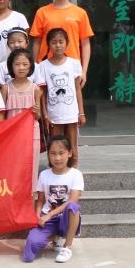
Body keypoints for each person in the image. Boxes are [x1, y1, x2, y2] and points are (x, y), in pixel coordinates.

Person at [23, 135, 83, 264]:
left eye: (61, 153)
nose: (57, 158)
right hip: (48, 219)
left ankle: (66, 247)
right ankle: (54, 237)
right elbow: (40, 201)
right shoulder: (44, 175)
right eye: (53, 153)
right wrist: (37, 218)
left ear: (70, 153)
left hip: (65, 218)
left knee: (73, 207)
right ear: (48, 155)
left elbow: (73, 200)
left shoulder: (76, 174)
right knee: (29, 252)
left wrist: (49, 215)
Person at [30, 0, 93, 88]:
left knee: (72, 98)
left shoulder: (80, 13)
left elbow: (85, 44)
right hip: (46, 66)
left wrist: (84, 71)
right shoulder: (42, 12)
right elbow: (37, 42)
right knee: (45, 99)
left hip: (72, 67)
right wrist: (36, 66)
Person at [38, 28, 86, 167]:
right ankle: (54, 170)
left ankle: (73, 170)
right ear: (48, 44)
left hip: (71, 113)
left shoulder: (73, 63)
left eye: (61, 42)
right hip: (53, 114)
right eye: (54, 42)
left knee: (72, 144)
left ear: (67, 43)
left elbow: (77, 89)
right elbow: (42, 93)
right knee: (55, 144)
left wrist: (81, 113)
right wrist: (45, 115)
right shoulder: (43, 66)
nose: (58, 45)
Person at [0, 47, 43, 188]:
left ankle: (31, 195)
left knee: (31, 164)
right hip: (11, 134)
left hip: (32, 132)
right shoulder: (6, 88)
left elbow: (38, 116)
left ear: (30, 66)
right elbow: (1, 114)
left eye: (25, 64)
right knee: (12, 165)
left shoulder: (36, 89)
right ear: (11, 66)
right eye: (17, 64)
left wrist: (37, 111)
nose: (21, 68)